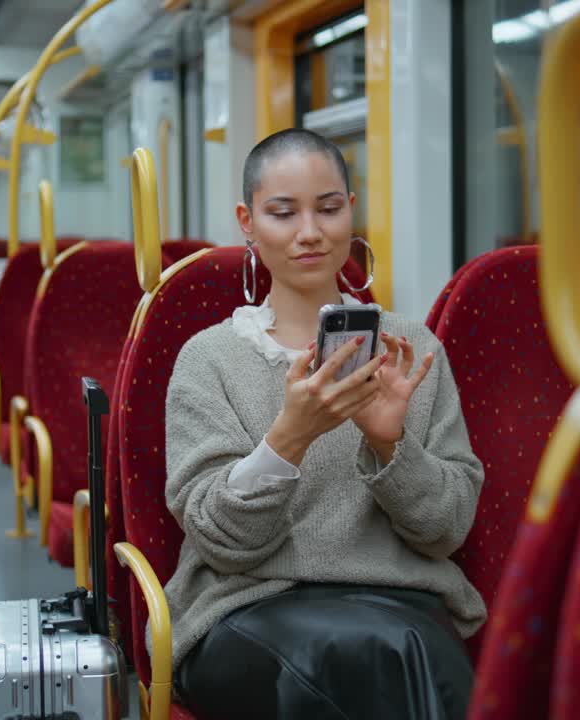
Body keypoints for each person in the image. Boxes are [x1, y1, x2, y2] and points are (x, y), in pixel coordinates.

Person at [162, 128, 486, 719]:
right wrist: (291, 436)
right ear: (247, 222)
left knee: (394, 648)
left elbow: (446, 531)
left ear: (352, 211)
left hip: (397, 604)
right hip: (247, 609)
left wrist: (390, 445)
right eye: (283, 213)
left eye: (329, 209)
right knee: (379, 656)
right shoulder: (209, 359)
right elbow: (222, 542)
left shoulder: (411, 349)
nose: (310, 232)